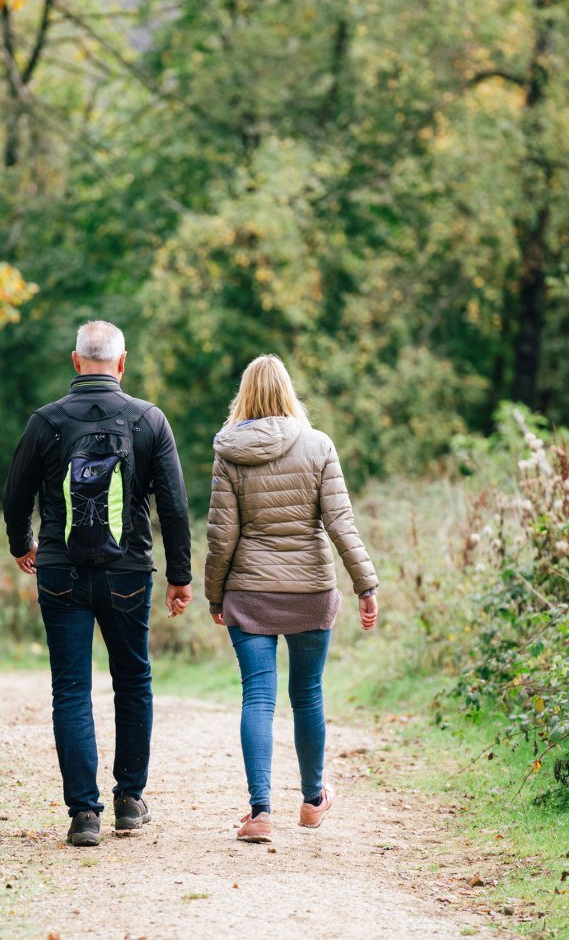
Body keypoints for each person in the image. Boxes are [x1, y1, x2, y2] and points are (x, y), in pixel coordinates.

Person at [2, 321, 194, 847]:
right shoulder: (149, 420)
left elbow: (14, 496)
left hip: (60, 570)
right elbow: (174, 507)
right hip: (129, 572)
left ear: (75, 360)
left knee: (71, 688)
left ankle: (84, 814)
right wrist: (180, 576)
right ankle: (129, 802)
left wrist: (23, 545)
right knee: (132, 680)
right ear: (122, 363)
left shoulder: (46, 422)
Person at [204, 354, 379, 844]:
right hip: (309, 591)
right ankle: (312, 800)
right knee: (308, 696)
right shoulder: (318, 445)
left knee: (258, 697)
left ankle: (260, 813)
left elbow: (222, 536)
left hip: (250, 591)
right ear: (288, 391)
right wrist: (366, 584)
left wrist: (214, 595)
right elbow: (341, 523)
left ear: (245, 394)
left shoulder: (229, 451)